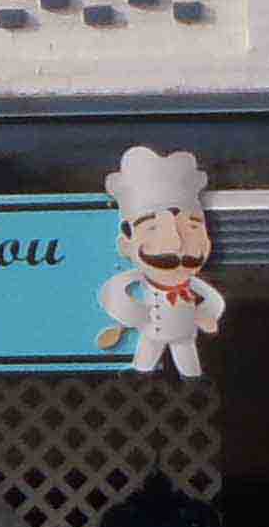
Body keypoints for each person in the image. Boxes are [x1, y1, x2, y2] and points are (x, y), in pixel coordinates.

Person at [96, 146, 225, 377]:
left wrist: (204, 315)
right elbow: (113, 294)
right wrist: (135, 317)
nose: (175, 244)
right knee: (147, 353)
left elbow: (213, 301)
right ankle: (143, 372)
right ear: (126, 244)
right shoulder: (134, 279)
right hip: (150, 332)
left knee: (186, 357)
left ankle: (192, 377)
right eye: (154, 227)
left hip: (184, 333)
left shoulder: (192, 286)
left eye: (192, 227)